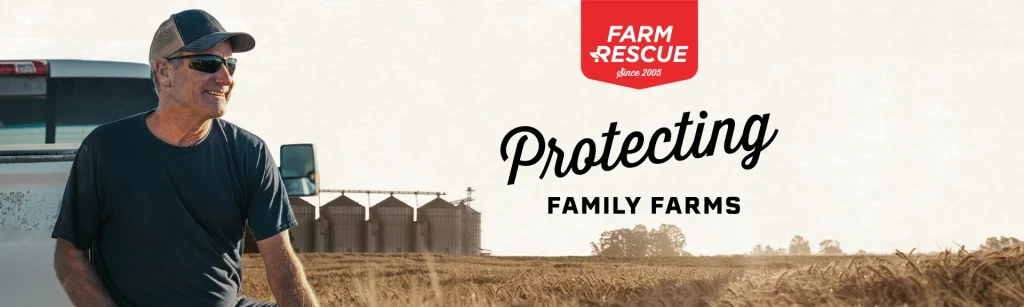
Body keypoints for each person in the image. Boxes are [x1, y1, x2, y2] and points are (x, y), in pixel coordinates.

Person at [50, 9, 321, 307]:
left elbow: (282, 268)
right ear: (164, 72)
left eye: (230, 64)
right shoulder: (105, 149)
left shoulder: (249, 152)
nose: (225, 78)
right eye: (208, 63)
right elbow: (68, 255)